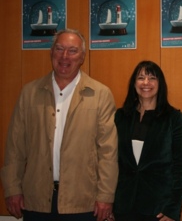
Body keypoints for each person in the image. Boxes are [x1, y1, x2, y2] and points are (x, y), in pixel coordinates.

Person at [0, 28, 118, 221]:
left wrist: (105, 196)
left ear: (82, 57)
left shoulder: (99, 95)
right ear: (51, 52)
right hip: (36, 199)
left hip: (82, 202)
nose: (65, 56)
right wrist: (12, 189)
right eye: (59, 49)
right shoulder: (29, 93)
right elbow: (15, 147)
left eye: (72, 50)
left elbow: (108, 152)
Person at [113, 60, 182, 221]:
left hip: (159, 208)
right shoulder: (120, 117)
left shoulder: (174, 119)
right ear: (134, 84)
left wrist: (173, 209)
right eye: (141, 78)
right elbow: (111, 161)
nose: (146, 82)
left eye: (152, 78)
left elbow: (180, 168)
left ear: (160, 84)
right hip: (123, 205)